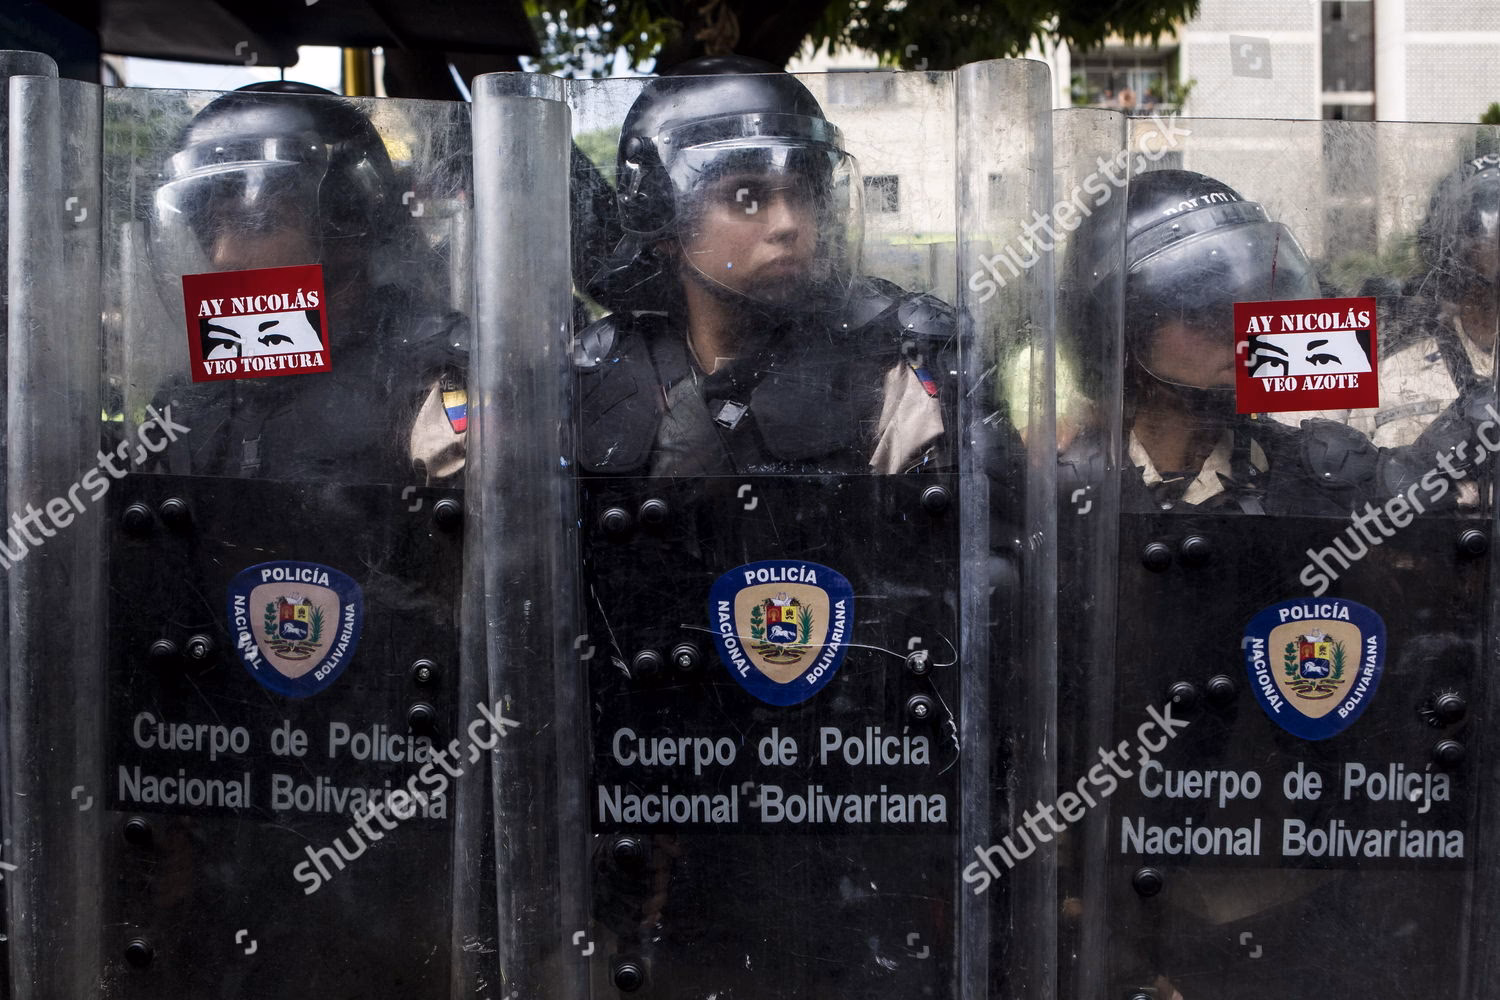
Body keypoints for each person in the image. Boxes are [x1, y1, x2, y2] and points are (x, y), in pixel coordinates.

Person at [576, 56, 952, 479]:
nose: (788, 223)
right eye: (746, 197)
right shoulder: (597, 371)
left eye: (803, 194)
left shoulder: (896, 366)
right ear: (663, 223)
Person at [147, 81, 467, 483]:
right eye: (209, 229)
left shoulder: (432, 374)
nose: (222, 255)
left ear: (346, 229)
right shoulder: (189, 400)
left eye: (259, 222)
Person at [1061, 168, 1388, 515]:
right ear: (1122, 334)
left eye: (1249, 303)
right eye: (1200, 309)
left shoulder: (1320, 471)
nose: (1239, 328)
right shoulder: (1064, 481)